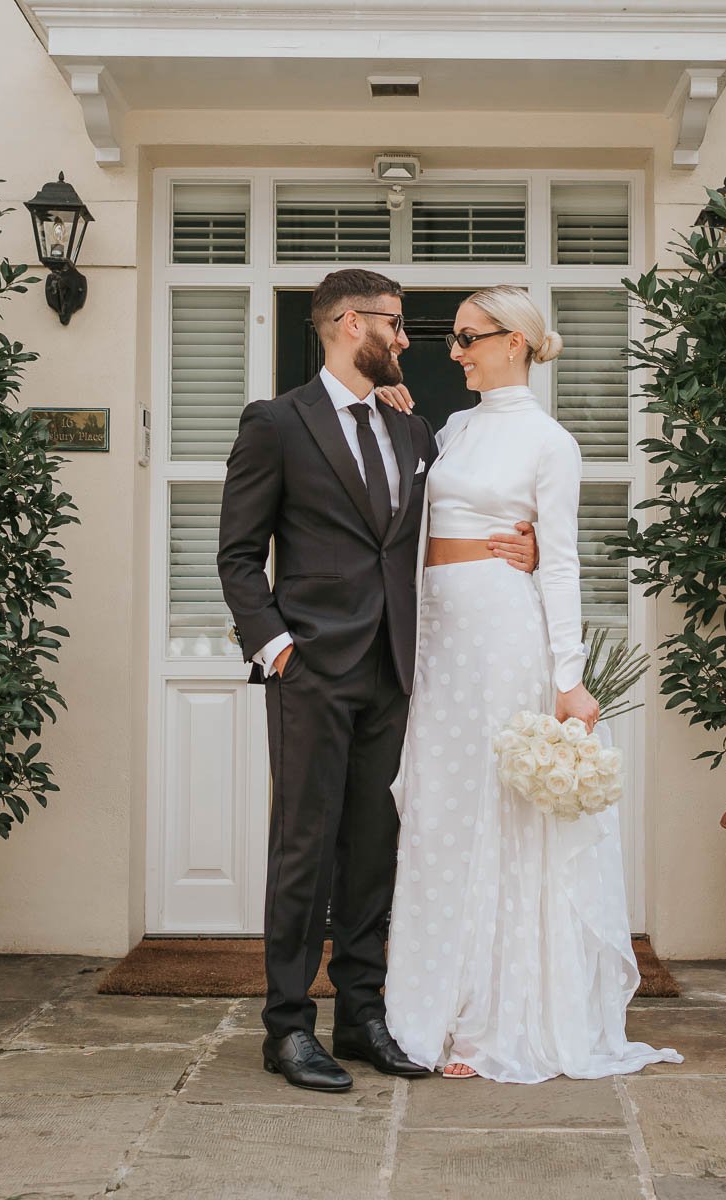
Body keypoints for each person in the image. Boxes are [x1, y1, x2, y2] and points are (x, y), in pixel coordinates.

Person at [215, 269, 538, 1093]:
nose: (406, 341)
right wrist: (277, 647)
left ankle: (362, 1016)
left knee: (372, 853)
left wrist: (524, 549)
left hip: (397, 673)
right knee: (304, 852)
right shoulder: (277, 424)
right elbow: (239, 554)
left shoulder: (413, 430)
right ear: (349, 323)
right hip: (311, 673)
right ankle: (287, 1028)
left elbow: (447, 529)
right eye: (395, 325)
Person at [376, 286, 681, 1083]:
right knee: (442, 808)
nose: (456, 351)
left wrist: (568, 678)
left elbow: (565, 560)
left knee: (499, 814)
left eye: (470, 338)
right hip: (439, 632)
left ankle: (492, 1022)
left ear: (516, 342)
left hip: (502, 632)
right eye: (453, 339)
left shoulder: (551, 442)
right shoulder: (452, 427)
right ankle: (430, 1010)